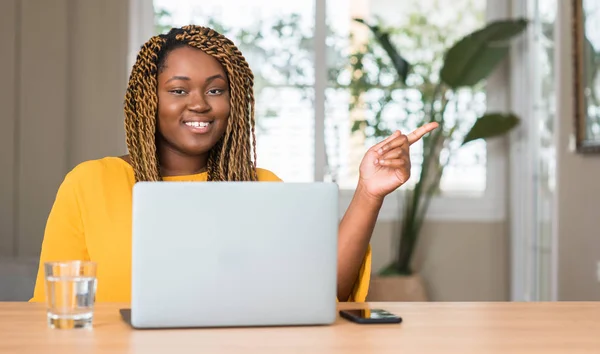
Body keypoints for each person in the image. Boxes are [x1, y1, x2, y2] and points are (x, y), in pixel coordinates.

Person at [30, 25, 438, 303]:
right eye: (178, 89)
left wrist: (368, 192)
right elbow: (51, 309)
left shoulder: (261, 186)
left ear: (234, 101)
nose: (200, 104)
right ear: (147, 101)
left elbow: (325, 289)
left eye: (216, 89)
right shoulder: (91, 184)